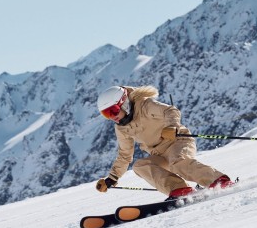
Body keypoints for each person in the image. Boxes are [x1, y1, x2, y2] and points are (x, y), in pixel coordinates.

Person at [95, 85, 233, 200]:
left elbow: (170, 110)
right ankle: (180, 189)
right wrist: (112, 178)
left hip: (177, 141)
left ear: (124, 103)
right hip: (158, 153)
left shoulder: (144, 105)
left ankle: (219, 181)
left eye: (113, 111)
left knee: (178, 162)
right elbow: (125, 154)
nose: (112, 117)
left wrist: (171, 126)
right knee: (140, 166)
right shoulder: (121, 127)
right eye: (106, 114)